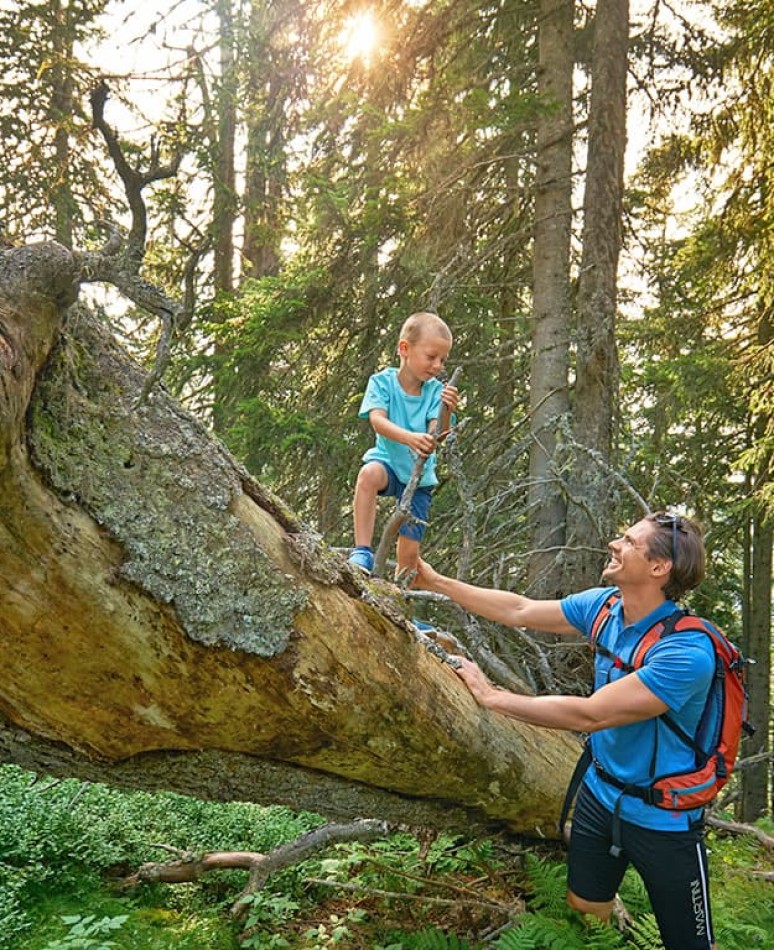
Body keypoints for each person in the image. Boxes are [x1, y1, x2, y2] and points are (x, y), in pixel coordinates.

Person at [414, 512, 719, 950]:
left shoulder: (686, 652)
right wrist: (436, 581)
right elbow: (519, 610)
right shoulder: (606, 607)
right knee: (585, 909)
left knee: (690, 944)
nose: (615, 543)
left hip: (663, 817)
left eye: (629, 542)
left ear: (659, 567)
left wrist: (493, 696)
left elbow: (591, 715)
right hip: (599, 796)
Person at [348, 311, 459, 579]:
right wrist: (410, 438)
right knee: (368, 475)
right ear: (404, 349)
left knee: (409, 555)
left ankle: (401, 602)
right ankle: (362, 550)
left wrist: (446, 412)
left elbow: (438, 434)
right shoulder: (382, 382)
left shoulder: (436, 392)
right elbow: (378, 420)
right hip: (387, 462)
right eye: (431, 356)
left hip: (419, 479)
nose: (437, 365)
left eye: (442, 360)